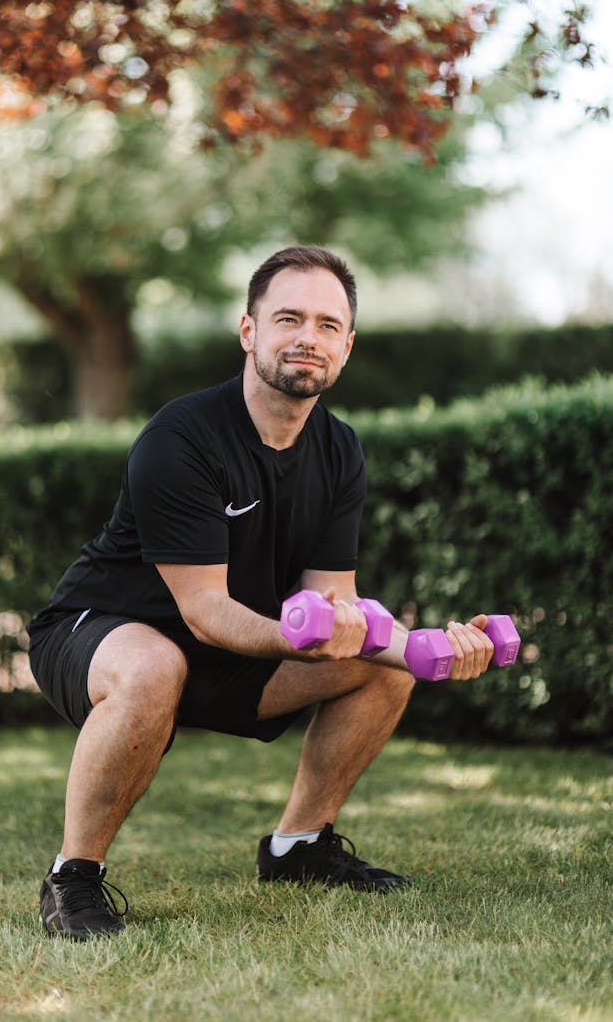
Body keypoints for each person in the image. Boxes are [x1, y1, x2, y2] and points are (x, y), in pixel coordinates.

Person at [27, 244, 495, 941]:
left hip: (225, 651)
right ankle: (72, 879)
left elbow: (338, 608)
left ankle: (298, 847)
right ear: (249, 331)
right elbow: (203, 611)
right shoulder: (182, 437)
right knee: (157, 663)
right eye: (289, 318)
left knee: (382, 659)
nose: (309, 337)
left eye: (329, 325)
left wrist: (433, 650)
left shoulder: (339, 450)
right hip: (102, 630)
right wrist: (302, 636)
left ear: (348, 346)